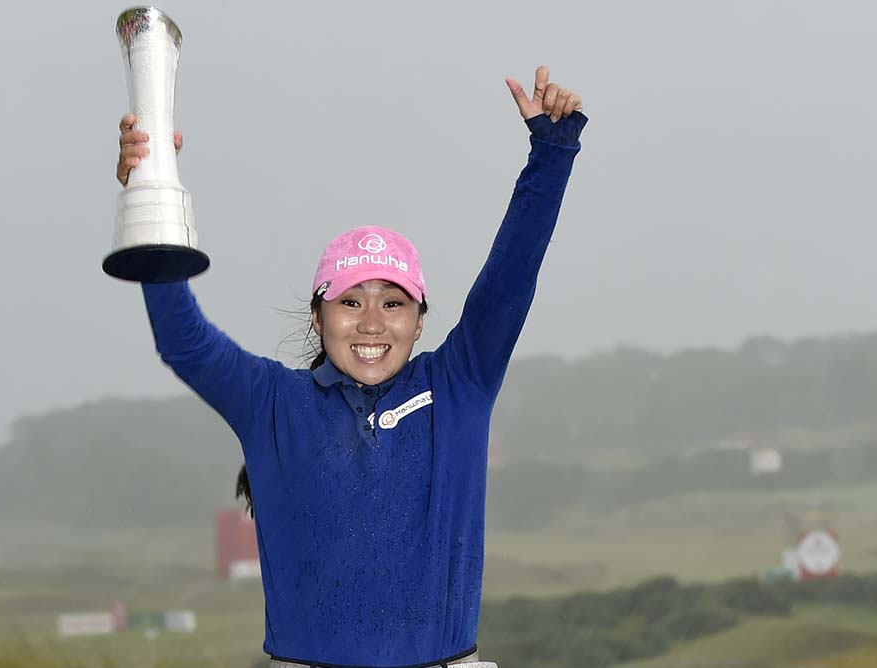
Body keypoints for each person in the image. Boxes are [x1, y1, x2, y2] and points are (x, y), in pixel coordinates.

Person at [117, 66, 586, 668]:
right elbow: (184, 342)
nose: (370, 323)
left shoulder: (459, 384)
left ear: (420, 320)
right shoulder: (273, 403)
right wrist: (147, 193)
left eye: (393, 303)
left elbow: (511, 275)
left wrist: (551, 153)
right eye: (349, 301)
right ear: (318, 316)